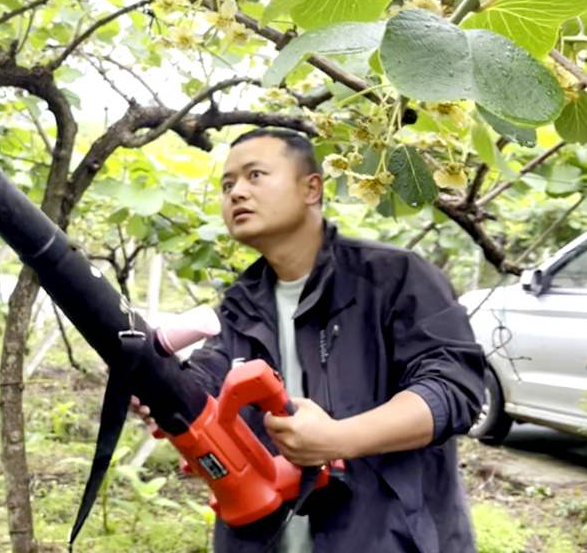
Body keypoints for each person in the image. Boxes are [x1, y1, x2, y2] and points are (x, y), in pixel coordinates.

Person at [130, 128, 485, 552]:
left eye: (255, 175)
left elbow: (454, 389)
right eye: (227, 185)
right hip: (262, 536)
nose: (237, 193)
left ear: (311, 188)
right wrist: (165, 394)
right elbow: (207, 379)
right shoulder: (239, 305)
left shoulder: (396, 279)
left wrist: (340, 438)